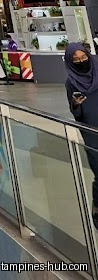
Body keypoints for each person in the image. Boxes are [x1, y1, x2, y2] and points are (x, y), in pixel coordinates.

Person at [65, 42, 98, 226]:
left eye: (83, 57)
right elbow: (75, 112)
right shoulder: (71, 82)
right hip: (91, 130)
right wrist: (76, 104)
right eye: (76, 60)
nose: (81, 61)